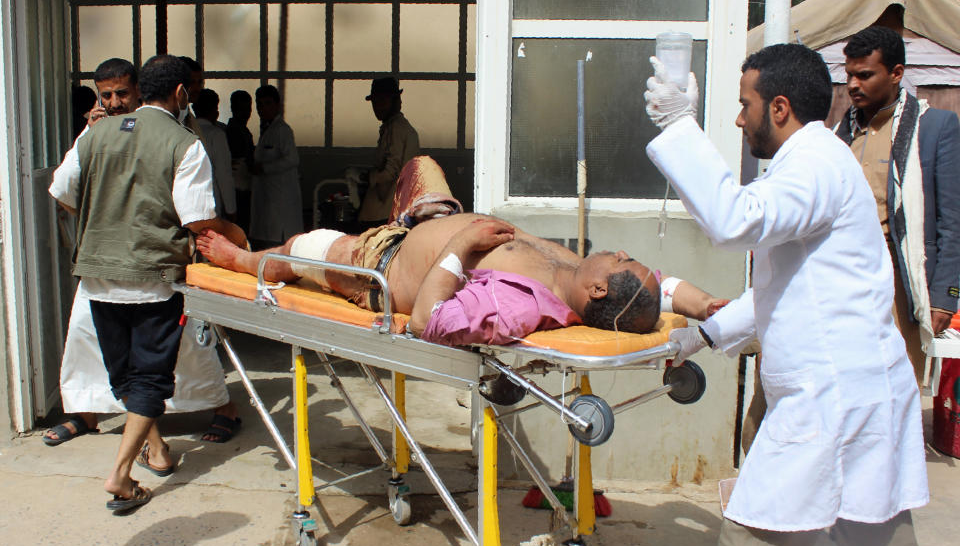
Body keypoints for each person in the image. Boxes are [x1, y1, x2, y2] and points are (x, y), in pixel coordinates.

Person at [643, 44, 930, 546]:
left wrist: (680, 125)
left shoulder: (815, 165)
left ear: (778, 107)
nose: (737, 118)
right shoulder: (815, 163)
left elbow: (732, 220)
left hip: (829, 401)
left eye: (744, 104)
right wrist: (702, 335)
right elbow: (785, 290)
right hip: (857, 394)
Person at [197, 156, 727, 347]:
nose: (618, 251)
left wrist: (459, 243)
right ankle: (418, 213)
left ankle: (243, 259)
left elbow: (430, 318)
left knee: (301, 248)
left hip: (377, 264)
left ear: (600, 289)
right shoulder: (580, 274)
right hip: (427, 225)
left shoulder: (520, 306)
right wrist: (706, 307)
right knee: (420, 162)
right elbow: (663, 287)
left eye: (620, 260)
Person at [50, 54, 246, 512]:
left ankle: (155, 449)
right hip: (153, 279)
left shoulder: (94, 134)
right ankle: (120, 474)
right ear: (180, 94)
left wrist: (105, 219)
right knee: (151, 377)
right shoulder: (183, 142)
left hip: (98, 276)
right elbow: (197, 218)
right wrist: (237, 240)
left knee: (123, 373)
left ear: (140, 90)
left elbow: (62, 191)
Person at [835, 25, 960, 381]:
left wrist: (944, 297)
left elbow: (952, 221)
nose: (853, 85)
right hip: (843, 277)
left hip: (900, 279)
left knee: (895, 386)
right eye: (849, 76)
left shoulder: (933, 127)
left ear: (896, 74)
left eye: (865, 75)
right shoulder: (840, 134)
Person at [357, 77, 420, 226]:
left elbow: (390, 172)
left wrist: (367, 178)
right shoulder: (393, 127)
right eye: (375, 103)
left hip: (386, 210)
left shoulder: (396, 129)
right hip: (392, 209)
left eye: (382, 102)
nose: (377, 107)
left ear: (397, 102)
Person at [249, 84, 302, 248]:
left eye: (267, 103)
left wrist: (264, 168)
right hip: (267, 198)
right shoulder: (266, 130)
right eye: (259, 105)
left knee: (278, 242)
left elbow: (292, 159)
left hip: (280, 200)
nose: (263, 108)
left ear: (277, 105)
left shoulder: (282, 130)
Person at [193, 88, 237, 219]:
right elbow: (223, 174)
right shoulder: (216, 134)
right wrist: (231, 209)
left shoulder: (186, 131)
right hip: (210, 202)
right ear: (214, 110)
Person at [225, 90, 255, 234]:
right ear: (233, 109)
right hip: (238, 188)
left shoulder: (243, 130)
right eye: (241, 109)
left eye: (248, 108)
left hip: (243, 186)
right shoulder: (232, 131)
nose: (246, 113)